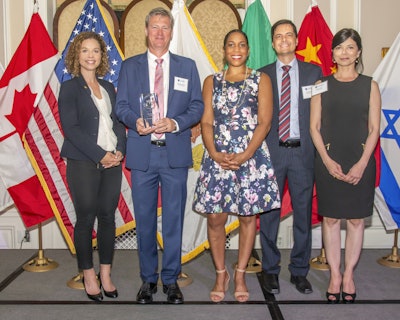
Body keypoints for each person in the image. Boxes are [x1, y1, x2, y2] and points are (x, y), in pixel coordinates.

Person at [115, 7, 203, 304]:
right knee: (145, 221)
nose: (160, 33)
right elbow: (122, 106)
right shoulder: (130, 66)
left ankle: (171, 280)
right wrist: (134, 121)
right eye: (155, 27)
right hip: (142, 156)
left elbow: (197, 107)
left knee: (175, 220)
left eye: (165, 27)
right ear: (145, 30)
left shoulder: (187, 66)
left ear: (171, 31)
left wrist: (176, 123)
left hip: (174, 154)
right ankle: (148, 280)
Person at [193, 29, 280, 303]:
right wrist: (215, 153)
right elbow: (206, 122)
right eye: (231, 44)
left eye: (242, 44)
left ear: (249, 49)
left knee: (247, 217)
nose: (236, 49)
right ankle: (221, 273)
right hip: (217, 156)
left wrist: (244, 155)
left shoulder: (260, 79)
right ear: (224, 49)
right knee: (216, 218)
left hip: (250, 157)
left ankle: (240, 272)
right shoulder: (211, 81)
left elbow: (265, 122)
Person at [310, 28, 381, 303]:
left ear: (358, 52)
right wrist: (327, 162)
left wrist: (363, 164)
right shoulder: (320, 84)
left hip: (360, 161)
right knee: (330, 219)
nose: (345, 52)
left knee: (355, 220)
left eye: (350, 47)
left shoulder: (370, 85)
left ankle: (349, 275)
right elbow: (314, 128)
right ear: (332, 53)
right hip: (328, 161)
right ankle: (334, 275)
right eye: (340, 48)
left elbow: (374, 129)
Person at [58, 32, 126, 302]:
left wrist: (119, 149)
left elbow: (117, 123)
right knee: (86, 220)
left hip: (113, 160)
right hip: (83, 161)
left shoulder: (109, 87)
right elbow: (71, 129)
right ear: (77, 55)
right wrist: (100, 155)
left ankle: (106, 274)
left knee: (108, 218)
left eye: (95, 50)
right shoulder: (69, 88)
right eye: (85, 50)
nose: (90, 55)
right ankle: (88, 274)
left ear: (102, 56)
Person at [258, 19, 322, 295]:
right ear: (273, 43)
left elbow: (321, 114)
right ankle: (270, 270)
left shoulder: (313, 72)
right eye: (278, 36)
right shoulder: (262, 75)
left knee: (302, 215)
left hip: (302, 153)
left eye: (289, 36)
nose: (284, 40)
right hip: (271, 153)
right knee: (269, 215)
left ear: (296, 41)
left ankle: (299, 271)